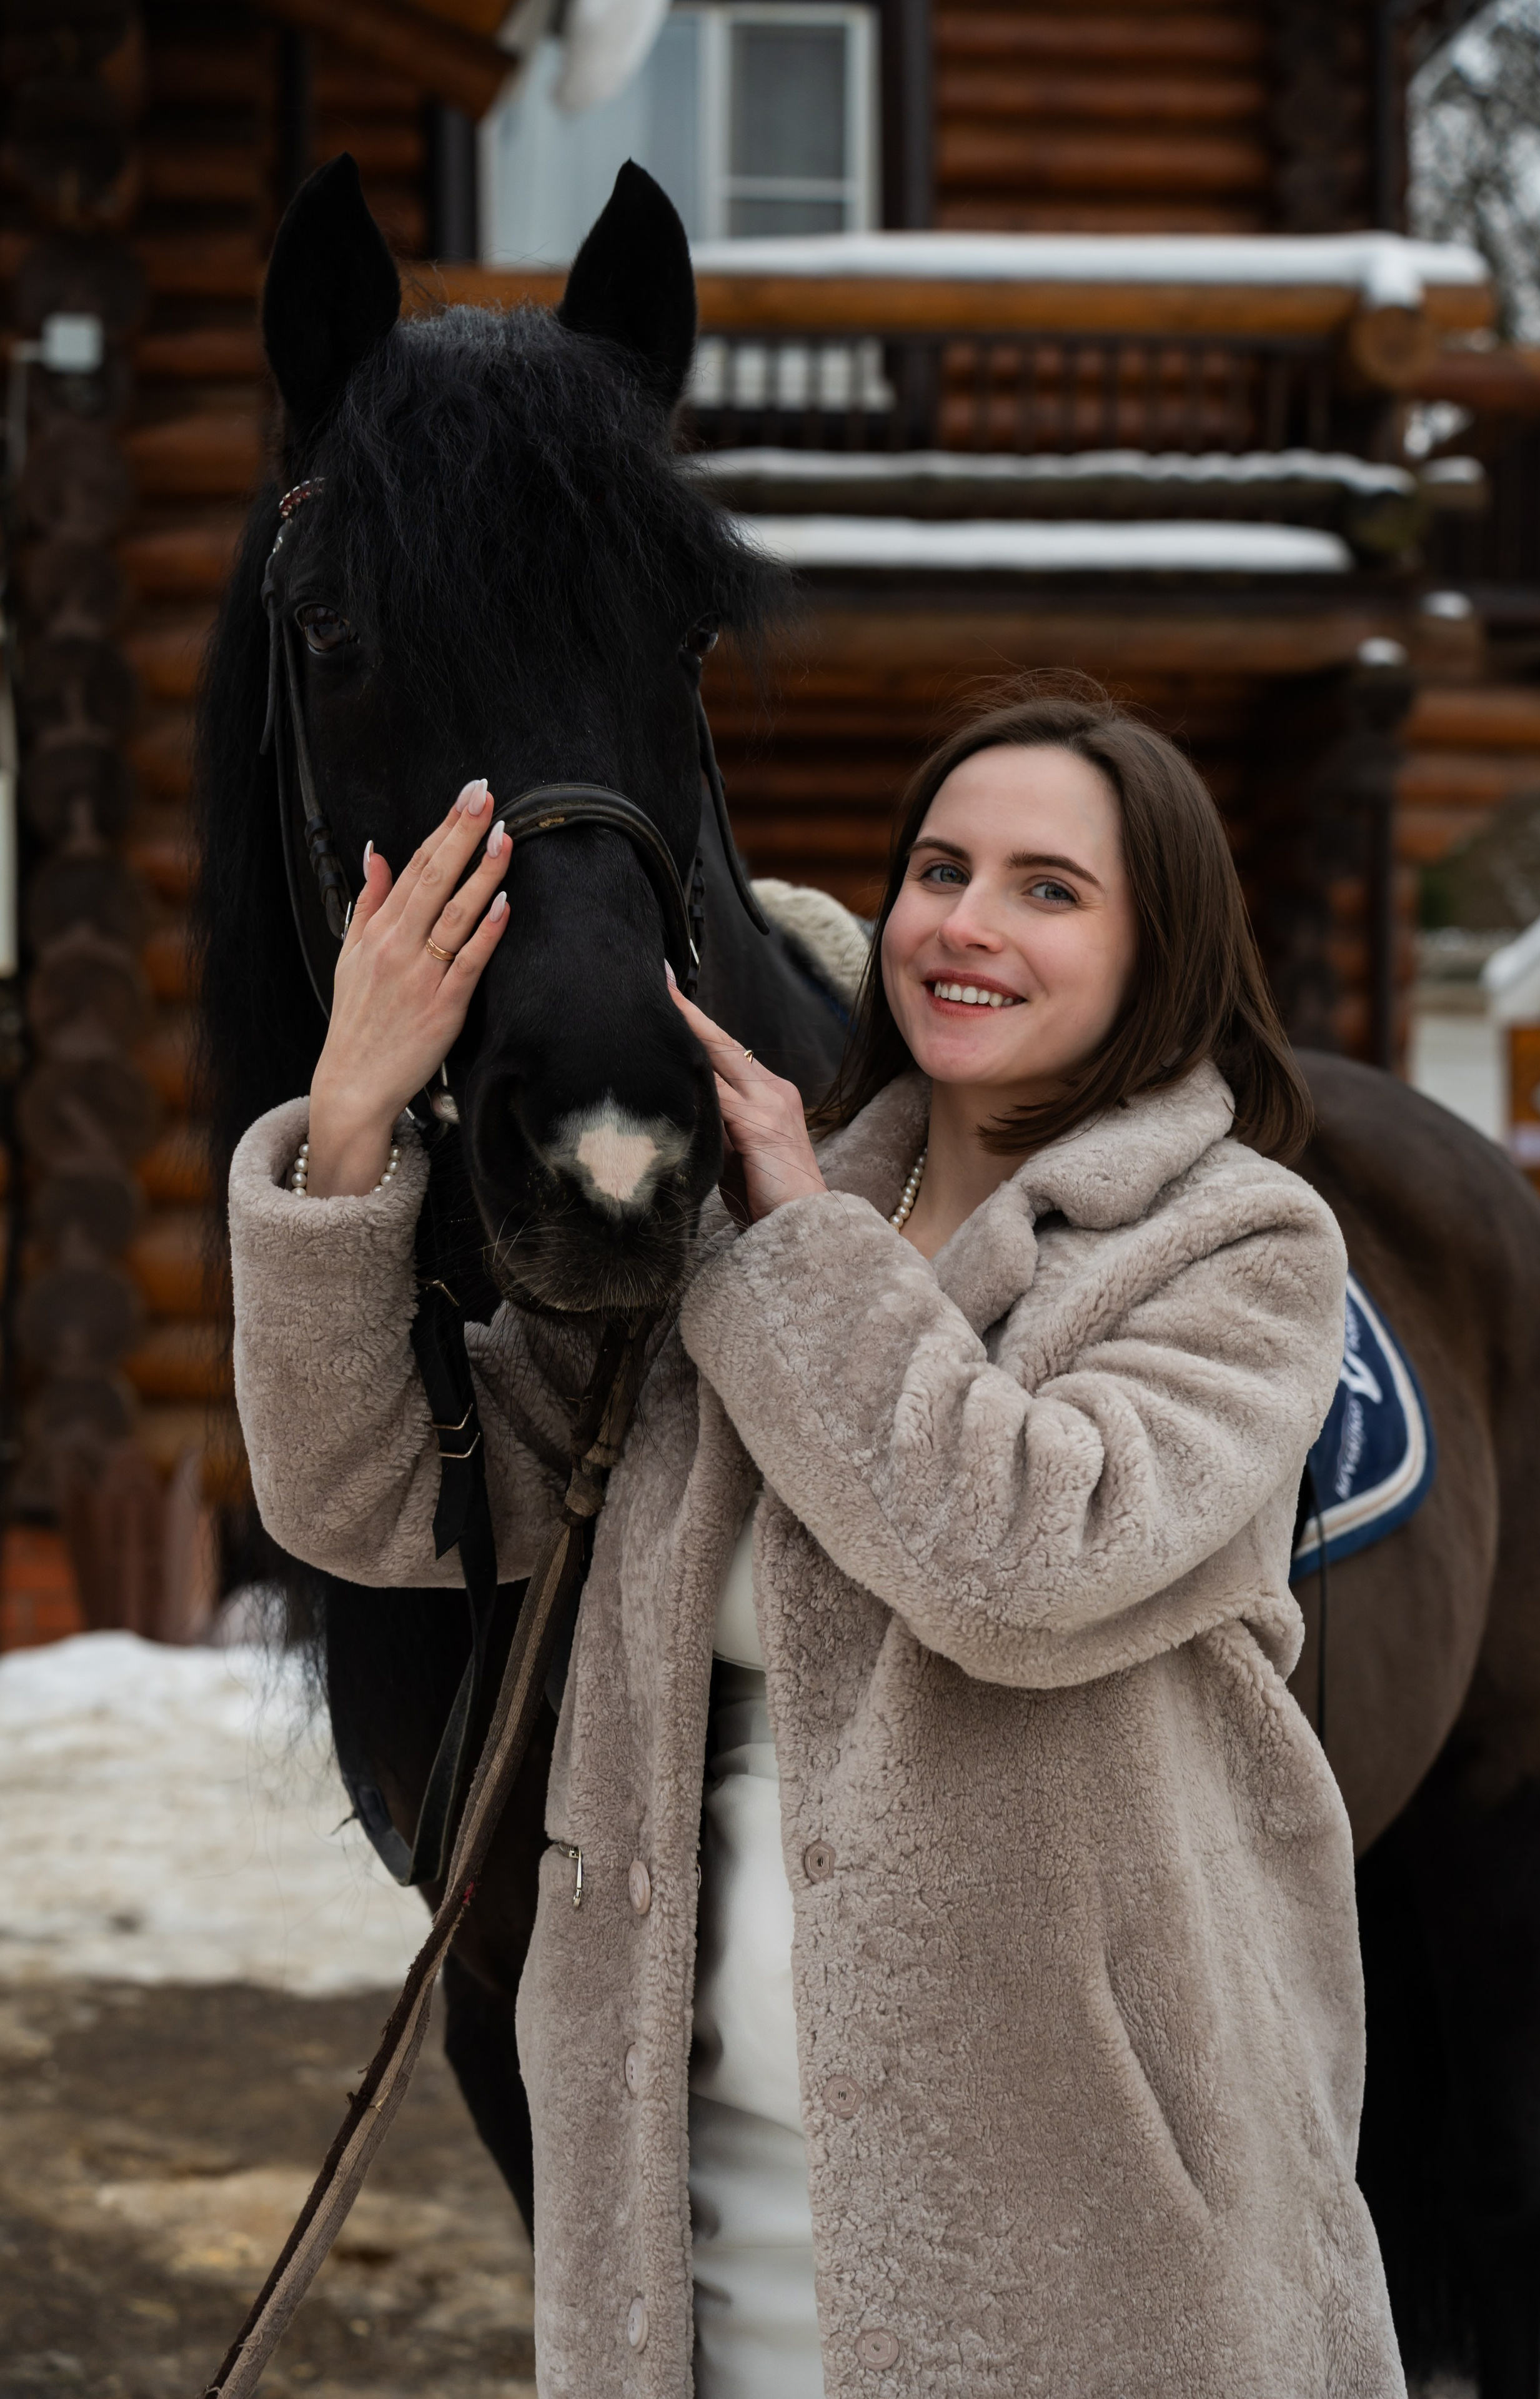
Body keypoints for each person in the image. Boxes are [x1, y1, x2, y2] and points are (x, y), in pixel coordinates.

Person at [229, 687, 1403, 2397]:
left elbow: (1020, 1558)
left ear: (1161, 948)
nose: (966, 923)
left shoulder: (1234, 1246)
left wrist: (797, 1231)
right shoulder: (717, 1232)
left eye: (1049, 889)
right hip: (694, 2202)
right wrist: (349, 1125)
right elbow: (371, 1497)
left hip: (1079, 2224)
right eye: (940, 870)